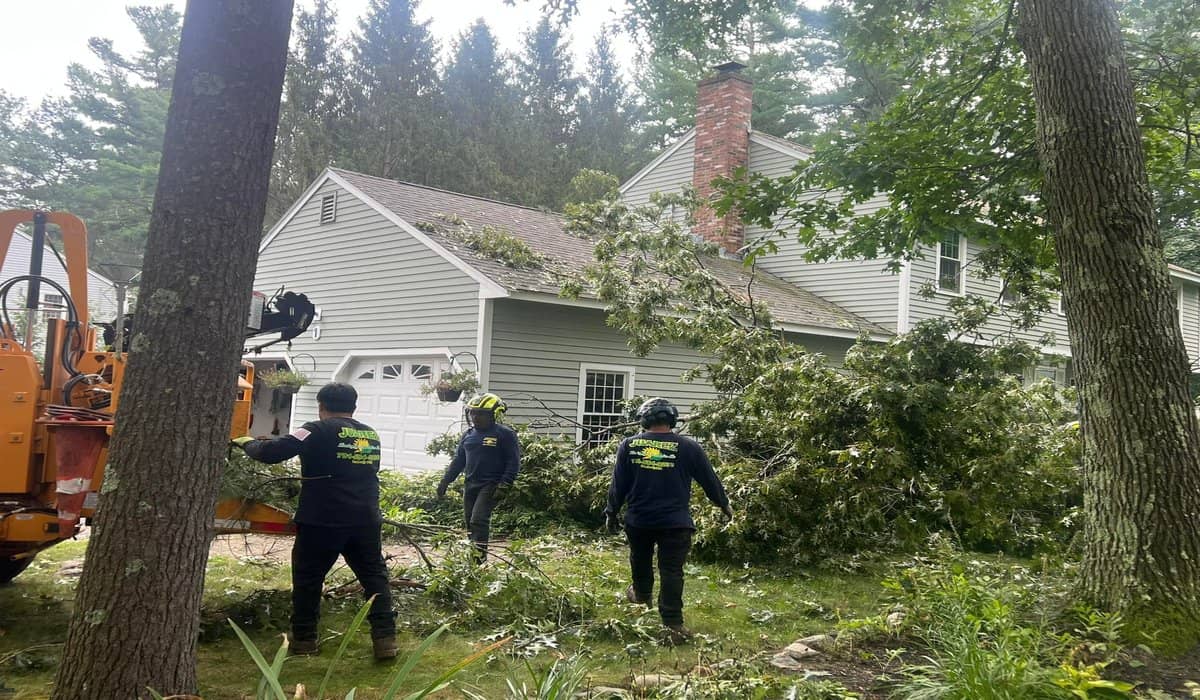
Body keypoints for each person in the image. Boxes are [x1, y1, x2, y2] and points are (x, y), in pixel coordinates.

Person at [231, 382, 397, 660]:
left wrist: (245, 441)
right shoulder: (370, 434)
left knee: (308, 579)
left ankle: (305, 640)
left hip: (324, 519)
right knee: (375, 579)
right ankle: (386, 640)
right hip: (365, 519)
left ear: (321, 406)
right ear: (353, 406)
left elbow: (269, 454)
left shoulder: (313, 429)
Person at [604, 397, 732, 643]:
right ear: (672, 420)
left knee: (639, 559)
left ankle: (641, 595)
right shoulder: (689, 447)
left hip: (639, 521)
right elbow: (709, 480)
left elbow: (618, 485)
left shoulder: (629, 446)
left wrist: (611, 512)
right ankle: (673, 624)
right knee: (672, 570)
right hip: (676, 523)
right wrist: (724, 504)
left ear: (644, 420)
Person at [436, 393, 520, 563]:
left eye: (481, 413)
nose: (475, 417)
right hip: (470, 484)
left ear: (494, 415)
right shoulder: (468, 435)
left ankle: (479, 562)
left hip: (491, 484)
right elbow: (459, 461)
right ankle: (472, 556)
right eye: (473, 413)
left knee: (478, 520)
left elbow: (513, 461)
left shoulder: (505, 434)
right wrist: (445, 481)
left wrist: (505, 484)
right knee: (469, 523)